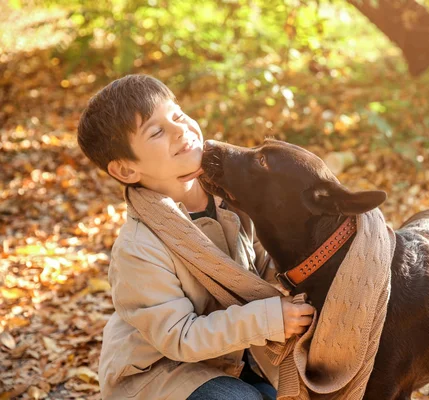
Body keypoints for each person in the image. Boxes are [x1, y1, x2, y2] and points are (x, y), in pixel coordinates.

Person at [77, 74, 315, 400]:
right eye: (157, 131)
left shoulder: (231, 195)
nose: (180, 130)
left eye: (177, 115)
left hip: (233, 360)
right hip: (161, 375)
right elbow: (181, 337)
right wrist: (268, 319)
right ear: (126, 170)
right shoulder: (139, 248)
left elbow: (265, 258)